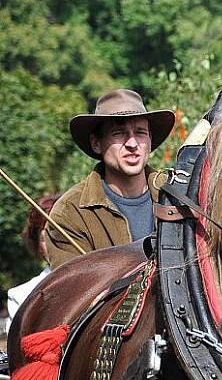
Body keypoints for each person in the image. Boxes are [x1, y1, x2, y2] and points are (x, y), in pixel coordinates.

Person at [45, 89, 175, 268]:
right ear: (96, 143)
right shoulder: (70, 213)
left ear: (150, 140)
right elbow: (73, 291)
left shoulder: (177, 194)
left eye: (140, 132)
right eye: (119, 133)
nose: (132, 144)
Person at [7, 194, 62, 319]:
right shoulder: (21, 297)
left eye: (61, 235)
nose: (55, 244)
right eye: (45, 238)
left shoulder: (104, 283)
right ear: (38, 244)